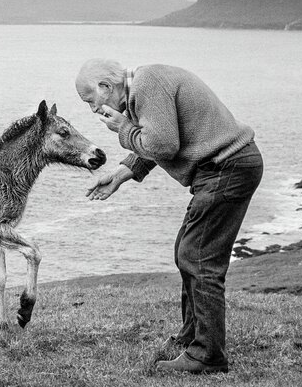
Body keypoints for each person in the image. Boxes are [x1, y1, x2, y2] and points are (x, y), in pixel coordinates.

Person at [75, 59, 263, 374]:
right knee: (187, 253)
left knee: (198, 257)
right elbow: (154, 140)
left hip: (226, 168)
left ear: (106, 87)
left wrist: (123, 129)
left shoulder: (148, 84)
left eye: (89, 100)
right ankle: (193, 338)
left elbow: (162, 145)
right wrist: (120, 175)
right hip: (226, 167)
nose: (92, 109)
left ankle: (207, 356)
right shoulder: (141, 89)